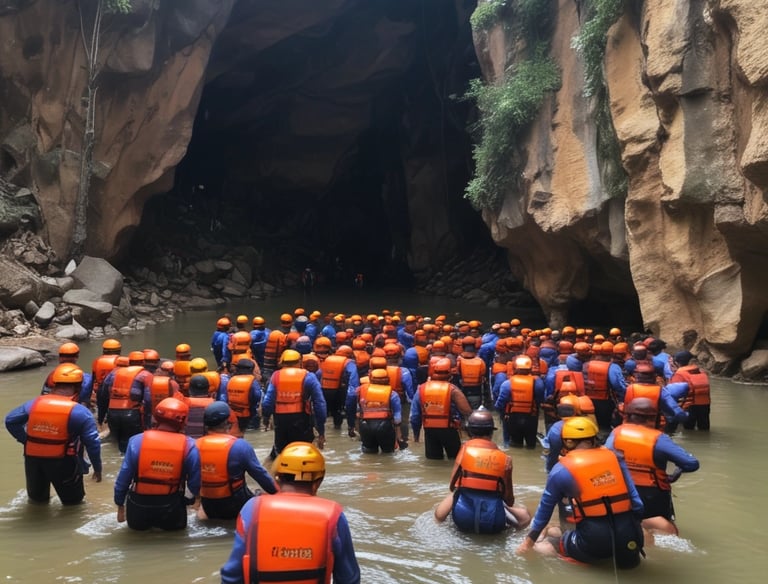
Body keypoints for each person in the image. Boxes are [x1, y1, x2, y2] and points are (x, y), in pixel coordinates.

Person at [220, 441, 360, 584]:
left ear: (278, 477)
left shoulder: (251, 508)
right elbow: (349, 578)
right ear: (318, 481)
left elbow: (232, 575)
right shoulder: (333, 515)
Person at [517, 417, 645, 569]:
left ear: (567, 442)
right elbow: (638, 505)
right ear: (593, 439)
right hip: (630, 536)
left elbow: (543, 514)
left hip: (593, 541)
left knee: (544, 545)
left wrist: (527, 544)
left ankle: (580, 562)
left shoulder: (560, 470)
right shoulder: (616, 458)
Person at [5, 364, 102, 504]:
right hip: (63, 461)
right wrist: (97, 469)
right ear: (79, 388)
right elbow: (93, 444)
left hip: (33, 460)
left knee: (37, 503)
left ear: (54, 385)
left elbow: (10, 421)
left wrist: (27, 440)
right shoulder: (81, 412)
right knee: (73, 504)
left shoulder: (34, 404)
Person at [606, 397, 699, 535]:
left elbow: (606, 458)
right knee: (662, 530)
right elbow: (691, 463)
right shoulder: (659, 439)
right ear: (653, 418)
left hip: (622, 490)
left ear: (627, 415)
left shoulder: (615, 433)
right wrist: (677, 472)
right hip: (652, 494)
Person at [434, 407, 531, 533]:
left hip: (462, 518)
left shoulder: (464, 451)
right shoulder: (505, 459)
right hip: (493, 521)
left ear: (470, 433)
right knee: (526, 517)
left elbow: (452, 486)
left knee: (440, 513)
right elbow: (509, 501)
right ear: (491, 433)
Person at [114, 397, 201, 531]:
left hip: (138, 508)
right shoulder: (190, 445)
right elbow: (194, 483)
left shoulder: (136, 441)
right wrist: (193, 500)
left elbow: (123, 478)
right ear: (183, 421)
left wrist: (120, 504)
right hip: (171, 508)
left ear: (156, 417)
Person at [196, 402, 277, 520]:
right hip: (236, 505)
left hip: (209, 505)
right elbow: (260, 475)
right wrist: (278, 494)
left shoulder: (194, 446)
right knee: (259, 494)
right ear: (227, 423)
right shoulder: (240, 446)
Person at [261, 349, 327, 457]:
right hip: (301, 420)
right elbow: (320, 404)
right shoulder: (309, 377)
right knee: (303, 453)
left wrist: (266, 418)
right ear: (300, 362)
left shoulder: (276, 376)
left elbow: (268, 401)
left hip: (281, 421)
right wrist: (321, 430)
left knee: (281, 454)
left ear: (282, 362)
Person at [410, 357, 473, 460]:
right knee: (455, 460)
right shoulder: (453, 389)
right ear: (450, 375)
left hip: (429, 431)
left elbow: (415, 416)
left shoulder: (421, 389)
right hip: (449, 430)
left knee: (433, 462)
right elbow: (467, 412)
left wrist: (416, 436)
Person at [98, 350, 152, 454]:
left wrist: (102, 416)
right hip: (132, 414)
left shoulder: (114, 373)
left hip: (112, 414)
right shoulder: (145, 375)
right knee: (134, 445)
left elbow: (103, 393)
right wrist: (147, 423)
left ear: (129, 361)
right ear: (143, 362)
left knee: (121, 445)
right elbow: (148, 400)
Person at [347, 368, 405, 454]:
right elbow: (397, 417)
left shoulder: (360, 391)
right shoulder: (392, 394)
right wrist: (399, 435)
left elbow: (351, 401)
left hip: (365, 426)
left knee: (369, 454)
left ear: (370, 378)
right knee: (388, 455)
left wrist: (352, 425)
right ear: (388, 379)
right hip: (385, 427)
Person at [494, 355, 545, 449]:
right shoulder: (538, 383)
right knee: (531, 445)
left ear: (515, 368)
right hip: (531, 417)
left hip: (513, 417)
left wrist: (499, 411)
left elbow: (500, 403)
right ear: (530, 369)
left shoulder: (507, 384)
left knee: (515, 445)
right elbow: (540, 400)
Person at [220, 358, 262, 436]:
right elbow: (257, 396)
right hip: (249, 414)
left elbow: (224, 398)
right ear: (251, 369)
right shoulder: (252, 381)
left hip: (232, 414)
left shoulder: (230, 380)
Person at [670, 350, 711, 431]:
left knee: (688, 430)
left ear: (677, 363)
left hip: (689, 406)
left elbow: (673, 392)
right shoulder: (701, 371)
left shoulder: (680, 373)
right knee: (704, 429)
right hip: (705, 404)